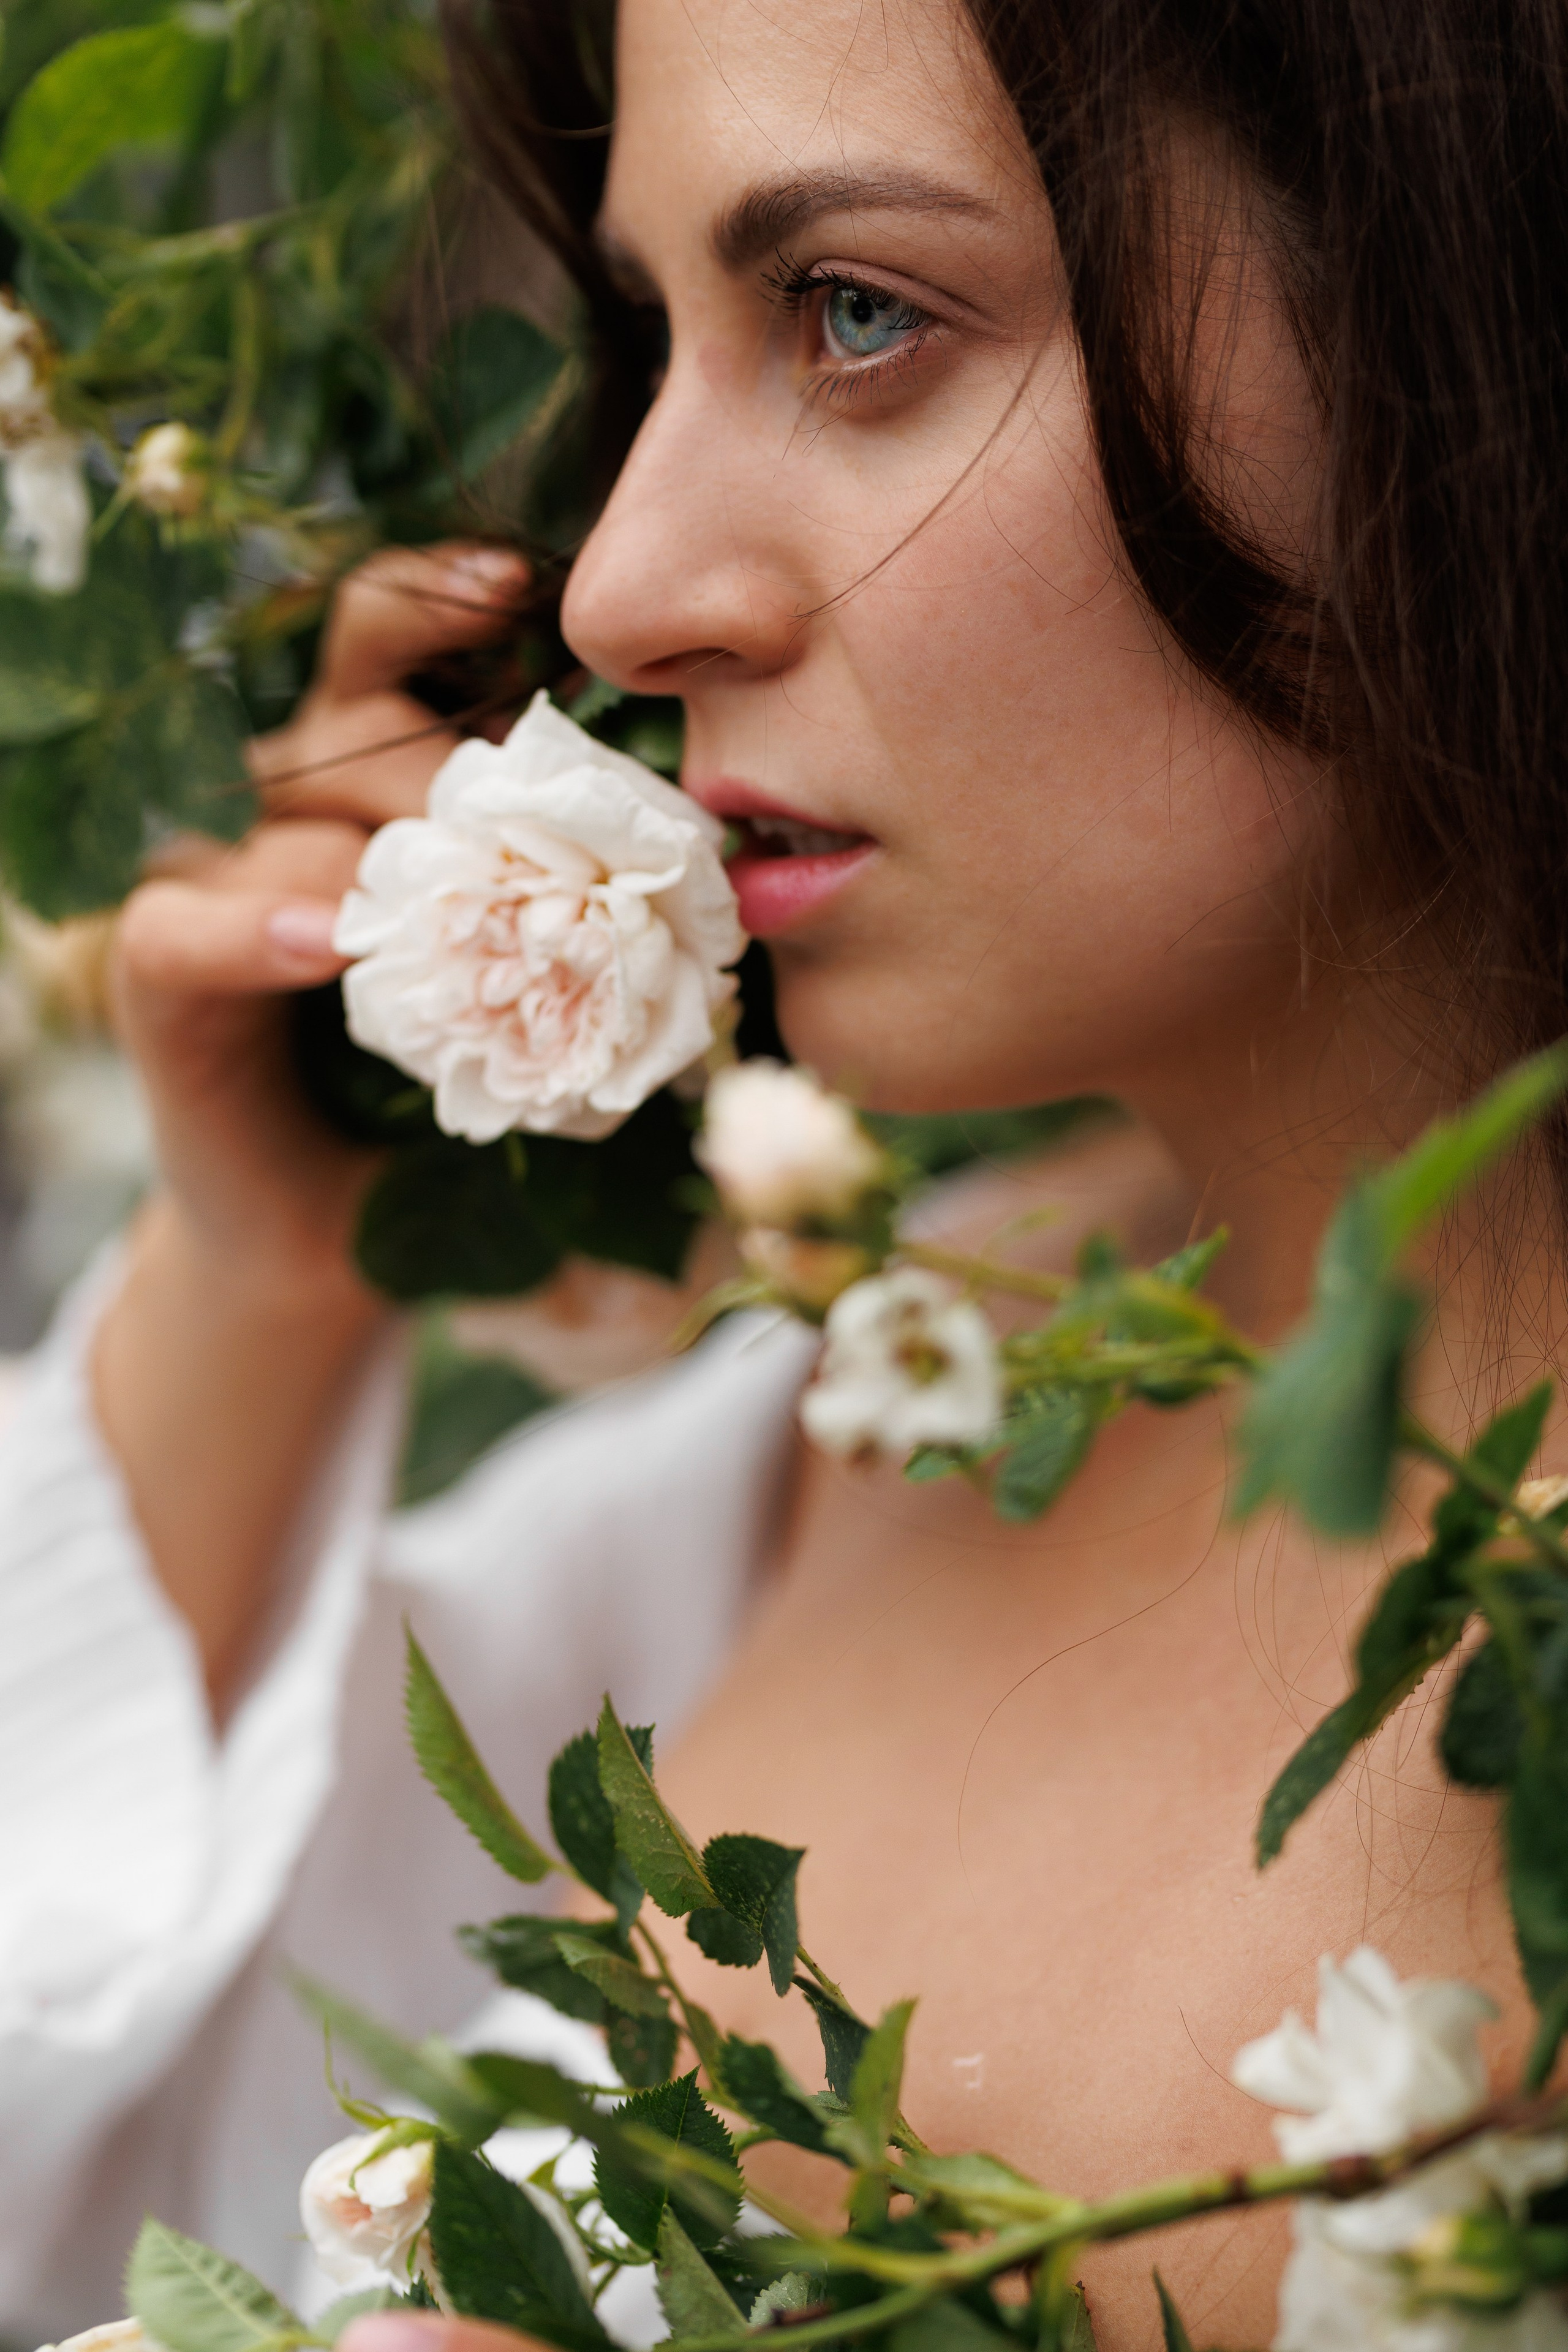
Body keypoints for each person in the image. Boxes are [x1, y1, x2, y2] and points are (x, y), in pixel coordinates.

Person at [6, 0, 1568, 2345]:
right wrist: (267, 1289)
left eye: (858, 311)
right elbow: (115, 2189)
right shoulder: (907, 1388)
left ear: (1476, 310)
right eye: (655, 334)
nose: (623, 585)